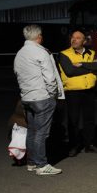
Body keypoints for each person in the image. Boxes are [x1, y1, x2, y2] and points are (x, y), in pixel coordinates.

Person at [13, 24, 65, 175]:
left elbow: (17, 73)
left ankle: (31, 163)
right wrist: (53, 95)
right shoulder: (41, 52)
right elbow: (50, 78)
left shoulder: (20, 53)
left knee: (32, 131)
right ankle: (42, 165)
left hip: (27, 97)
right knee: (41, 133)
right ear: (39, 37)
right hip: (41, 97)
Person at [58, 28, 97, 157]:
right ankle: (73, 146)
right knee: (73, 120)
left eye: (78, 38)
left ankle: (89, 145)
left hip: (89, 91)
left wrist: (83, 64)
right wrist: (90, 68)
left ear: (84, 41)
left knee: (89, 119)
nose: (74, 39)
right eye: (73, 37)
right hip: (73, 92)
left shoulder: (92, 53)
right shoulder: (64, 54)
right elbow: (70, 71)